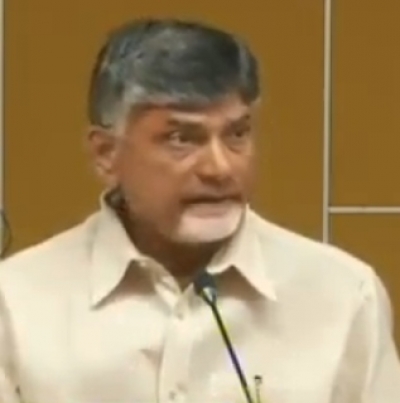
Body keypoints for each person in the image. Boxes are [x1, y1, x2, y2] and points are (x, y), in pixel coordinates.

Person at [0, 18, 399, 403]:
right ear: (106, 154)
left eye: (237, 134)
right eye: (181, 138)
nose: (220, 168)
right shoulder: (16, 303)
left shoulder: (343, 296)